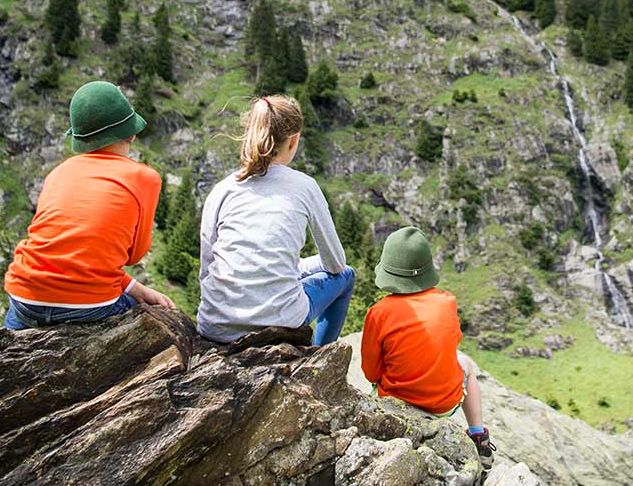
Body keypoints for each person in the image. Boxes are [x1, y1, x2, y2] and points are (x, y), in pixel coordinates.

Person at [3, 80, 175, 329]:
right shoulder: (144, 178)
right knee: (154, 320)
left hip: (24, 296)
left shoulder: (58, 173)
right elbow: (133, 255)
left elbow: (61, 252)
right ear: (132, 133)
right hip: (89, 306)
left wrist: (133, 287)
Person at [197, 95, 354, 346]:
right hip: (281, 320)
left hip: (215, 326)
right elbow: (335, 264)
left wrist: (297, 267)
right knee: (347, 276)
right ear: (294, 140)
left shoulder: (222, 189)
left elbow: (207, 269)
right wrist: (306, 267)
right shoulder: (305, 186)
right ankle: (319, 357)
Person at [361, 226, 495, 480]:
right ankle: (478, 434)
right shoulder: (447, 302)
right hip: (443, 403)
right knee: (466, 363)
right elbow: (451, 344)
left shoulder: (378, 313)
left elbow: (370, 372)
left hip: (396, 401)